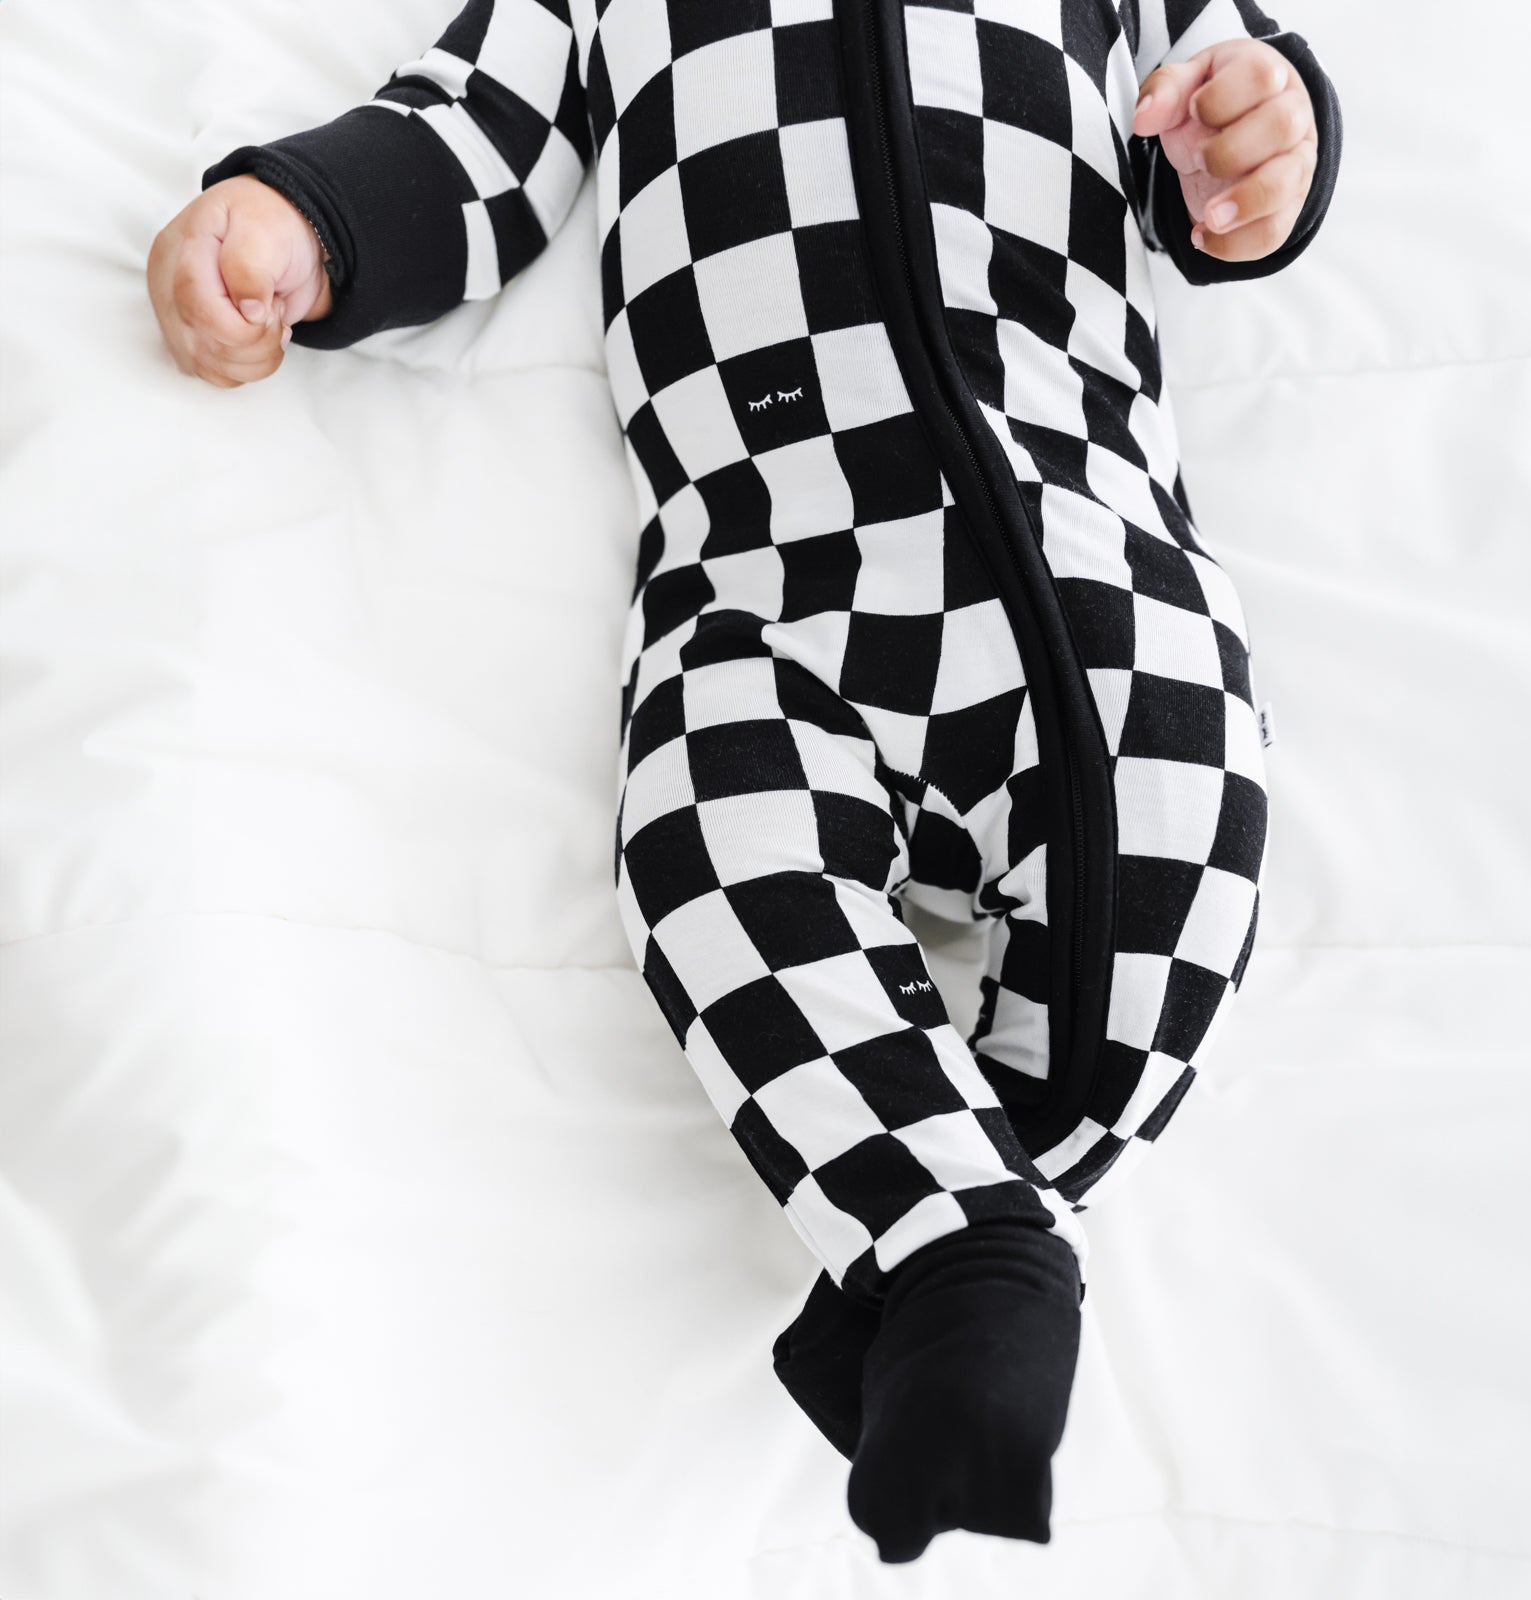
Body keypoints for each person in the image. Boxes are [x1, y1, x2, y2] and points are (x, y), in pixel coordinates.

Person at [146, 0, 1341, 1564]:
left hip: (1076, 529)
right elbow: (473, 136)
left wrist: (1262, 142)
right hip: (766, 562)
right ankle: (972, 1249)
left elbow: (1243, 110)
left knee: (1181, 831)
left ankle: (957, 1233)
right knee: (710, 851)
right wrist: (304, 215)